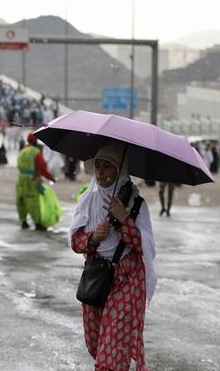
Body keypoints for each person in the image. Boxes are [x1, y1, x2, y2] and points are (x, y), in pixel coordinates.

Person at [68, 143, 156, 371]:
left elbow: (141, 246)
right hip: (97, 278)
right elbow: (76, 243)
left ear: (120, 169)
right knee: (98, 344)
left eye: (108, 166)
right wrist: (93, 238)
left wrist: (123, 219)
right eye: (98, 165)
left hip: (127, 281)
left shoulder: (136, 204)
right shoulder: (88, 200)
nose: (101, 171)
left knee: (112, 348)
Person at [16, 133, 55, 231]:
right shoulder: (36, 152)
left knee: (21, 200)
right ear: (35, 141)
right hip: (32, 179)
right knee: (33, 201)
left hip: (21, 179)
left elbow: (19, 165)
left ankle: (23, 221)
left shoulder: (22, 151)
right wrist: (50, 177)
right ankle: (37, 223)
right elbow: (42, 168)